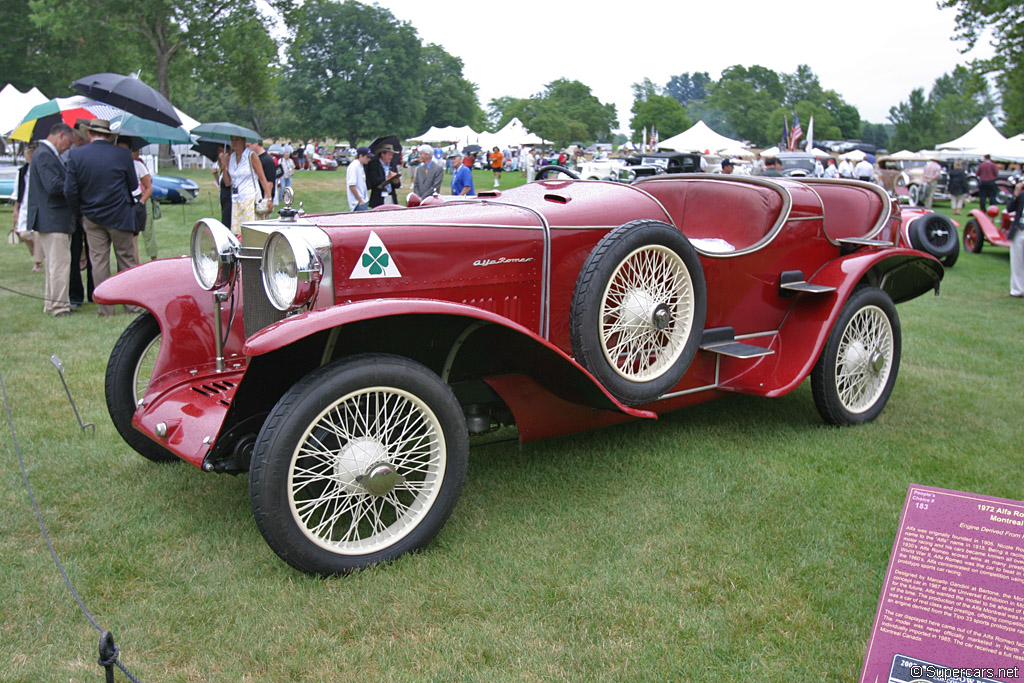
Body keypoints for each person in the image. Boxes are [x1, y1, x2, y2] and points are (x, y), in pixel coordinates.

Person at [64, 119, 140, 317]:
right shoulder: (122, 154)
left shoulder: (76, 155)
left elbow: (69, 190)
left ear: (89, 134)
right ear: (109, 135)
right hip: (120, 215)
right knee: (126, 260)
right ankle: (131, 306)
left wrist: (79, 212)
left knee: (98, 261)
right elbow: (133, 185)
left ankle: (105, 308)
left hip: (92, 216)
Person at [28, 123, 75, 316]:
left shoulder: (43, 154)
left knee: (54, 265)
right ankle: (59, 306)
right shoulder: (45, 155)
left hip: (50, 217)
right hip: (54, 218)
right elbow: (53, 186)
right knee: (60, 264)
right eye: (69, 142)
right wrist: (73, 183)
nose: (69, 147)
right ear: (61, 136)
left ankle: (52, 304)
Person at [219, 135, 272, 235]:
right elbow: (228, 182)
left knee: (250, 232)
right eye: (232, 140)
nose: (234, 143)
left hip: (250, 197)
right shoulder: (231, 157)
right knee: (237, 232)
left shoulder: (251, 156)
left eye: (237, 140)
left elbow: (262, 178)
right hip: (236, 199)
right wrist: (223, 166)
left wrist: (269, 198)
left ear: (243, 141)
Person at [116, 137, 155, 261]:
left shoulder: (137, 165)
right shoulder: (116, 164)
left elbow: (149, 187)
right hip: (123, 203)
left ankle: (149, 262)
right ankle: (133, 267)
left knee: (137, 236)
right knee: (128, 239)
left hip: (137, 201)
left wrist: (141, 202)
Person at [12, 142, 44, 271]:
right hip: (25, 206)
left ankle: (37, 262)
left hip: (39, 206)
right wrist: (16, 209)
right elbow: (17, 192)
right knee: (24, 234)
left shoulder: (41, 170)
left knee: (37, 235)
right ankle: (40, 254)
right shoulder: (22, 172)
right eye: (28, 155)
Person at [366, 143, 401, 207]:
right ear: (382, 154)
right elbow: (374, 181)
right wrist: (388, 178)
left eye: (392, 155)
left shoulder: (392, 165)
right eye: (389, 155)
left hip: (390, 196)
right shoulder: (374, 165)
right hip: (378, 198)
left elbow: (397, 185)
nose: (391, 157)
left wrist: (396, 181)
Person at [250, 140, 276, 217]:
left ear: (256, 143)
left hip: (262, 200)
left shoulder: (267, 160)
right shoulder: (256, 158)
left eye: (249, 146)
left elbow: (269, 183)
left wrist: (267, 200)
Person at [1008, 182, 1024, 298]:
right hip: (1019, 229)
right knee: (1016, 262)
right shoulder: (1022, 195)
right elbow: (1010, 208)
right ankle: (1017, 290)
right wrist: (1016, 193)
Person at [346, 146, 372, 212]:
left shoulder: (360, 166)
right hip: (358, 203)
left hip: (362, 201)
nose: (369, 159)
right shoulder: (354, 167)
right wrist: (360, 200)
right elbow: (351, 185)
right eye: (367, 157)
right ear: (361, 156)